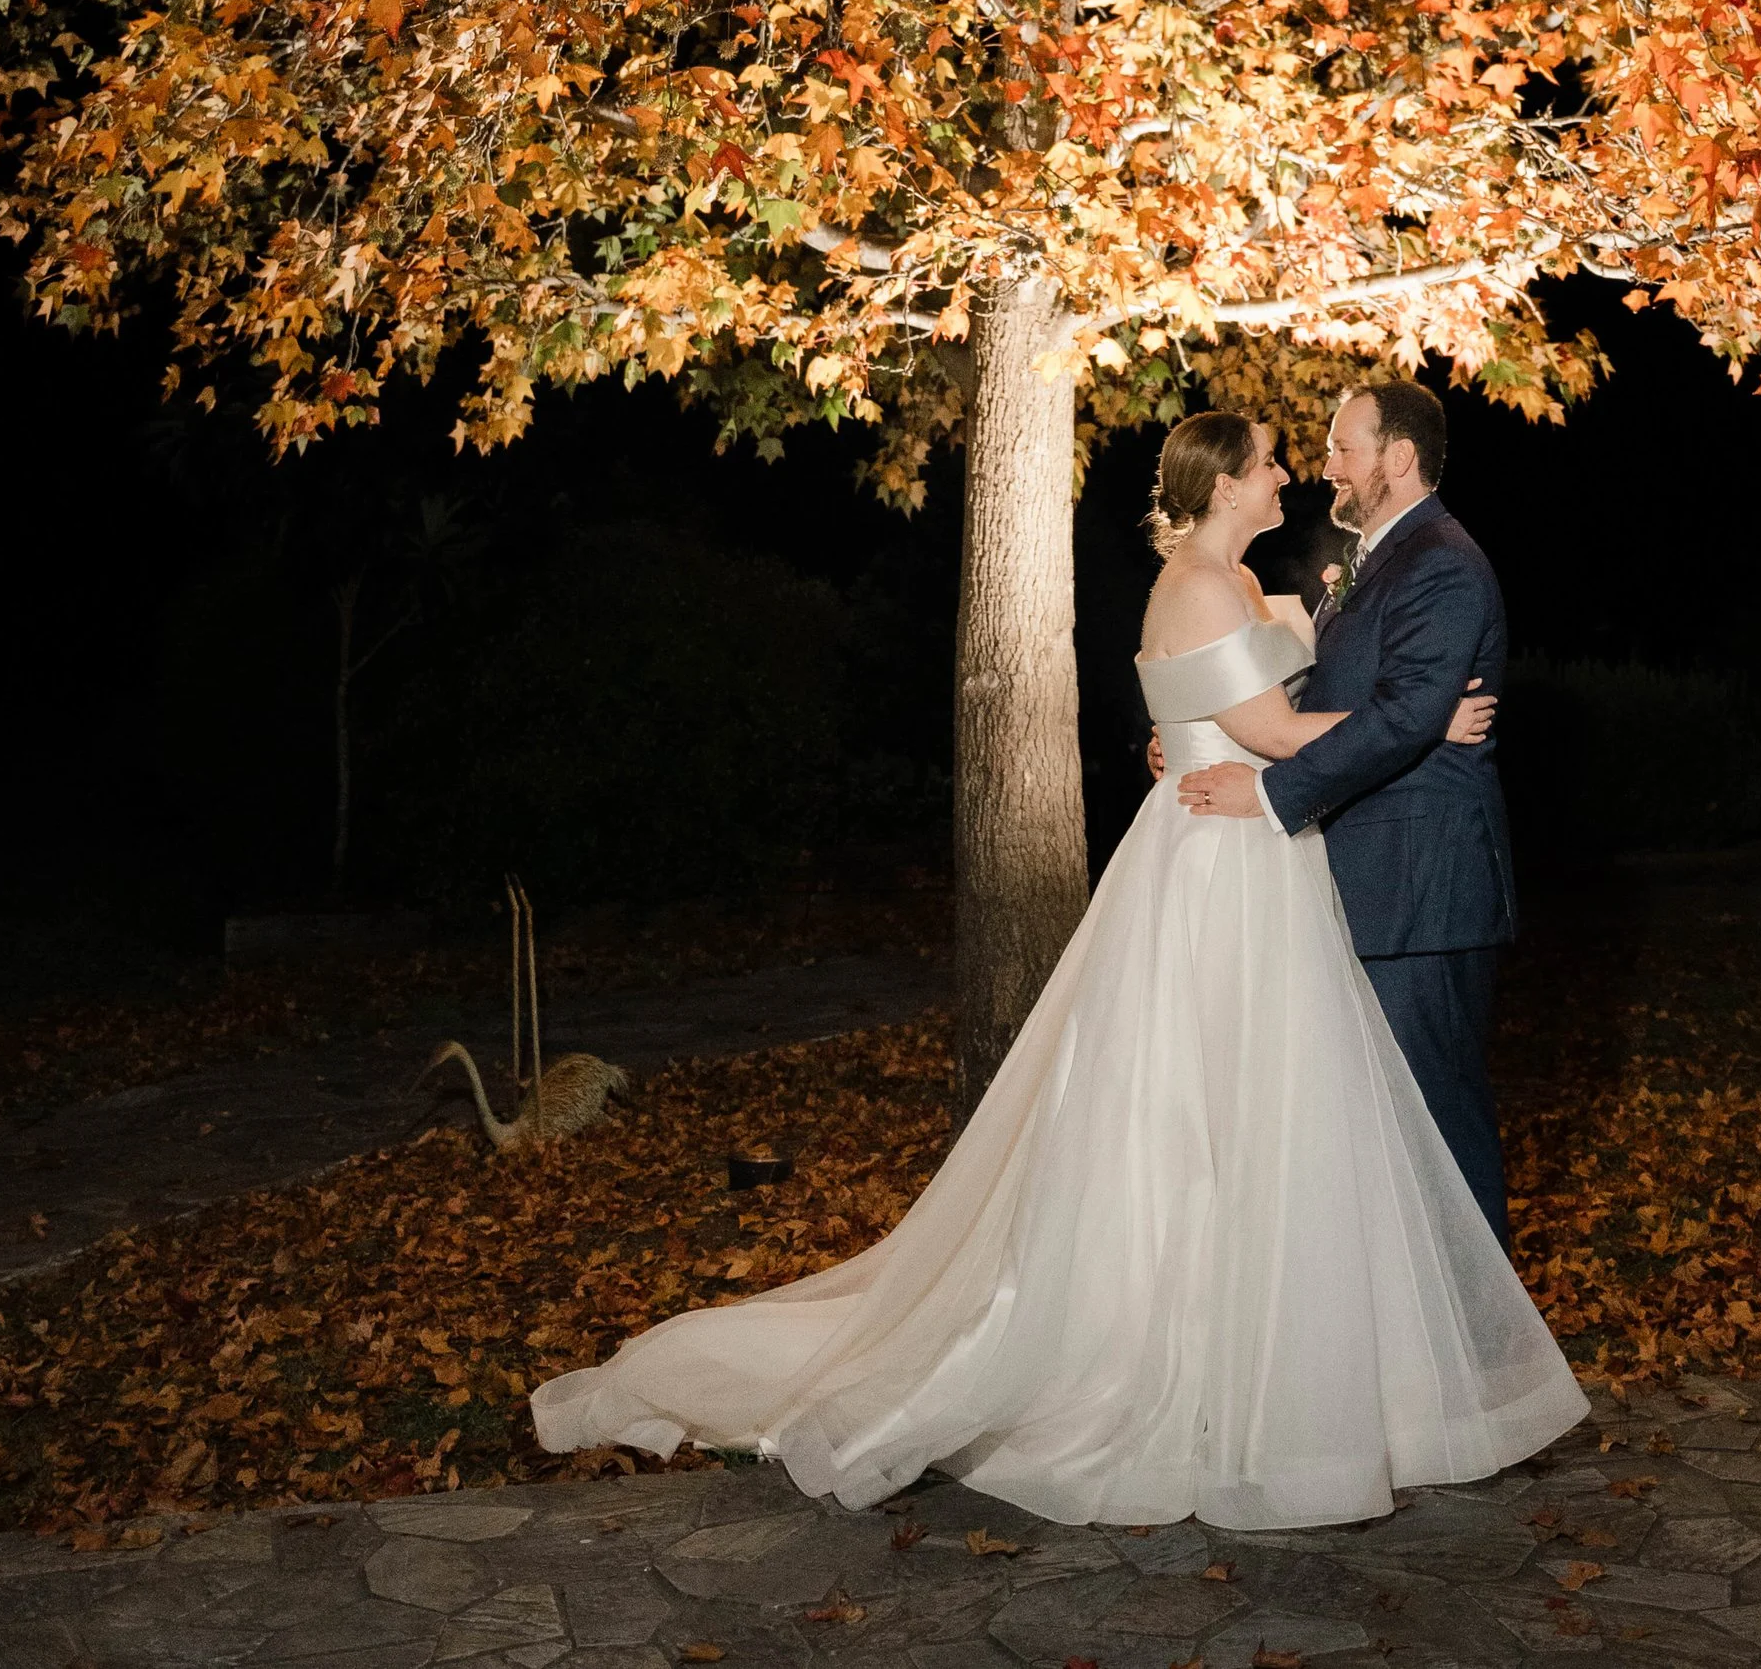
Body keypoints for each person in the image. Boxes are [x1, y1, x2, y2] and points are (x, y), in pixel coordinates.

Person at [529, 410, 1581, 1529]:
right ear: (1228, 485)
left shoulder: (1303, 575)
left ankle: (1384, 1371)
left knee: (1314, 1122)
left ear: (1395, 456)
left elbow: (1272, 705)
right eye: (1276, 458)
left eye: (1319, 448)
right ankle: (1236, 1370)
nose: (1297, 470)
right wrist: (1404, 727)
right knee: (1217, 1118)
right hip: (1229, 863)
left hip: (1290, 863)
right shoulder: (1209, 582)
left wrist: (1362, 726)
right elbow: (1275, 728)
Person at [1174, 379, 1517, 1238]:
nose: (1323, 465)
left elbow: (1403, 716)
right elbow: (1319, 699)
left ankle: (1484, 1353)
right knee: (1382, 1135)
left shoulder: (1440, 560)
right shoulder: (1371, 557)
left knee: (1437, 1126)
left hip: (1421, 891)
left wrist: (1264, 790)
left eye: (1342, 449)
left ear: (1397, 460)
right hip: (1367, 883)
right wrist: (1197, 738)